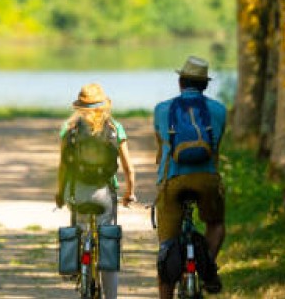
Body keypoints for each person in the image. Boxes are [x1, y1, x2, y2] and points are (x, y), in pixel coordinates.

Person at [53, 82, 137, 299]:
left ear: (79, 107)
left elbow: (63, 166)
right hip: (104, 194)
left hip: (78, 193)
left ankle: (77, 265)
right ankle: (111, 296)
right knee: (107, 241)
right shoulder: (115, 128)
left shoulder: (69, 129)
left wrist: (60, 194)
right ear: (104, 106)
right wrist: (130, 192)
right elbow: (128, 167)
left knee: (79, 229)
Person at [154, 56, 228, 297]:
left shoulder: (162, 109)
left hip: (172, 181)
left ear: (180, 82)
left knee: (167, 247)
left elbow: (160, 146)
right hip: (206, 180)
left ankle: (166, 294)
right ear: (205, 85)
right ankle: (208, 270)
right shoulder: (219, 110)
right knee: (215, 224)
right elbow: (216, 148)